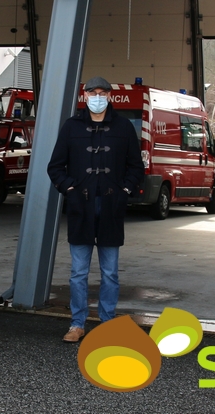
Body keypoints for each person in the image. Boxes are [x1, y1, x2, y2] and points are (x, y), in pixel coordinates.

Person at [47, 76, 144, 343]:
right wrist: (70, 190)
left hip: (111, 206)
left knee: (110, 272)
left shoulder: (123, 127)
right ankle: (77, 324)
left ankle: (108, 323)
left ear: (110, 96)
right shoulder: (71, 127)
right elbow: (55, 166)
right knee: (78, 272)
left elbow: (137, 167)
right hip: (82, 207)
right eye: (93, 92)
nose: (98, 97)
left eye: (103, 92)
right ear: (85, 95)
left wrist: (124, 190)